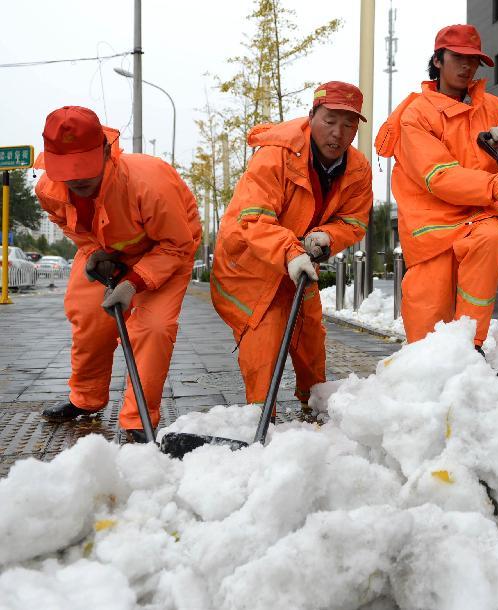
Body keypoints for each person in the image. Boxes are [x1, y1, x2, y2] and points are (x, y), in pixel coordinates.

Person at [34, 106, 201, 442]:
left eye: (84, 168)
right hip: (105, 250)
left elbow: (176, 244)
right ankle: (86, 398)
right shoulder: (49, 189)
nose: (76, 179)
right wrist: (93, 251)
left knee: (152, 328)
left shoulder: (148, 183)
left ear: (107, 153)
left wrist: (134, 282)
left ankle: (138, 419)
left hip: (165, 249)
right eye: (67, 170)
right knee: (88, 316)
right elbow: (65, 223)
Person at [376, 24, 498, 352]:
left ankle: (470, 349)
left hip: (478, 220)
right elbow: (438, 175)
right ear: (438, 60)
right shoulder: (417, 114)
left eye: (473, 61)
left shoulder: (491, 107)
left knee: (491, 238)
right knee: (426, 331)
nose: (467, 67)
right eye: (459, 58)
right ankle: (427, 376)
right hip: (431, 230)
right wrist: (494, 187)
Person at [211, 82, 372, 411]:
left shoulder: (357, 170)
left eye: (349, 124)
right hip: (250, 266)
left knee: (310, 338)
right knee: (265, 340)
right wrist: (290, 251)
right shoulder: (275, 155)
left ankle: (314, 408)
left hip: (297, 264)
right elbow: (254, 218)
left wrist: (327, 236)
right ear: (311, 116)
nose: (338, 133)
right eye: (330, 121)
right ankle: (261, 419)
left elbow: (354, 221)